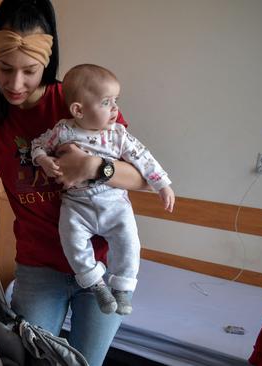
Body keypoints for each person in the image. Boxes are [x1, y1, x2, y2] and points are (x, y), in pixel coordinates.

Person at [0, 1, 151, 365]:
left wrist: (96, 166)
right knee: (33, 361)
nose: (16, 84)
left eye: (29, 70)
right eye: (4, 69)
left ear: (48, 60)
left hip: (101, 264)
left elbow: (140, 178)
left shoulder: (82, 102)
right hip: (37, 271)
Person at [31, 64, 175, 315]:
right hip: (76, 204)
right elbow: (37, 145)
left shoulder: (117, 134)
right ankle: (96, 284)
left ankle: (122, 287)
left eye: (116, 101)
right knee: (72, 240)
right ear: (78, 109)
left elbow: (143, 157)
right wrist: (43, 160)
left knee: (129, 241)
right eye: (107, 102)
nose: (115, 109)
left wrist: (162, 183)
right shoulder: (63, 131)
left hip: (113, 203)